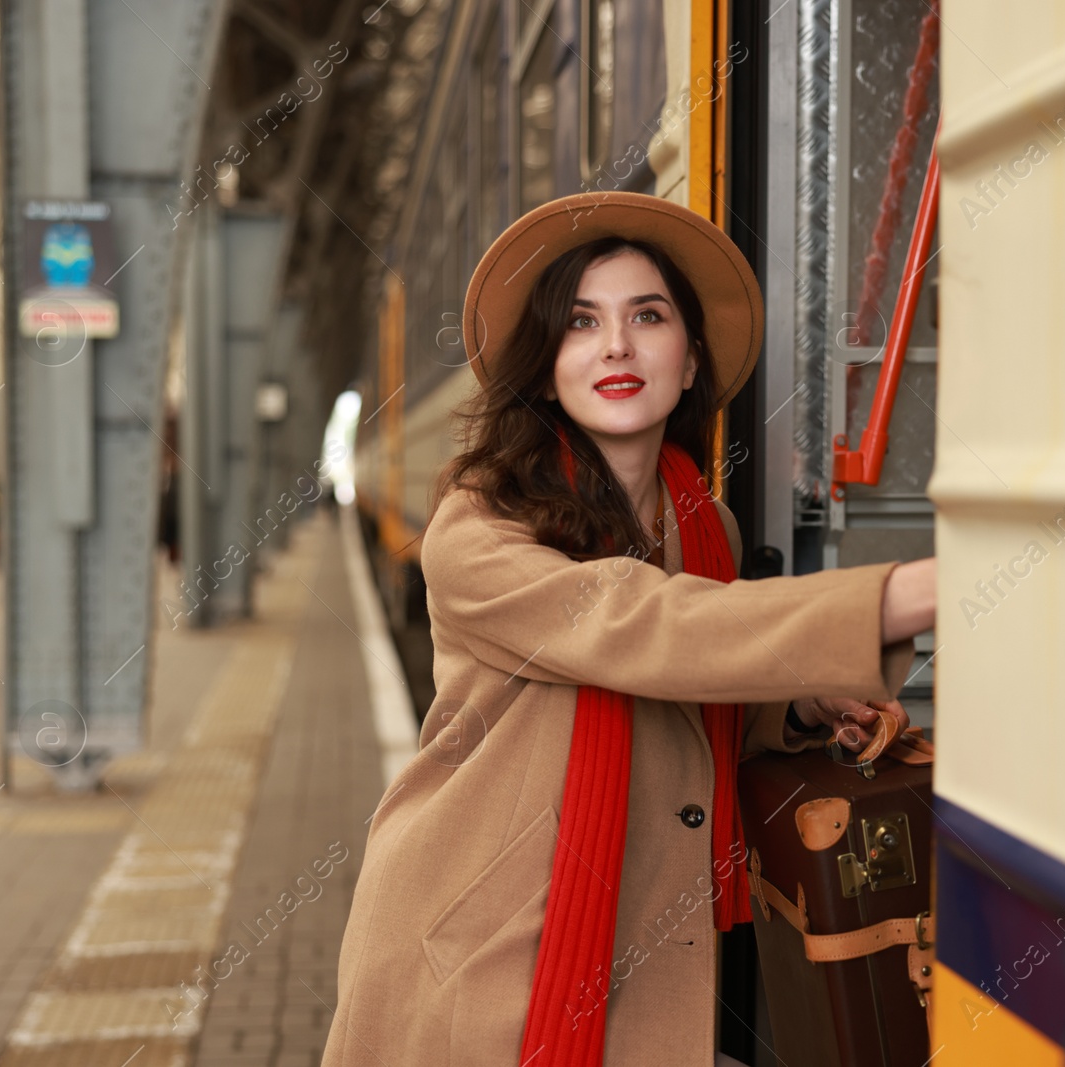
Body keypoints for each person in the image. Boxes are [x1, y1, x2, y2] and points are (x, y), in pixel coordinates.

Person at [322, 192, 937, 1067]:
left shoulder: (706, 530)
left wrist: (801, 703)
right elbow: (633, 624)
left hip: (636, 961)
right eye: (581, 322)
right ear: (544, 370)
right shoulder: (479, 524)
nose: (617, 344)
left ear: (689, 362)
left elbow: (692, 703)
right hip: (481, 967)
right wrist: (908, 593)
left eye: (647, 316)